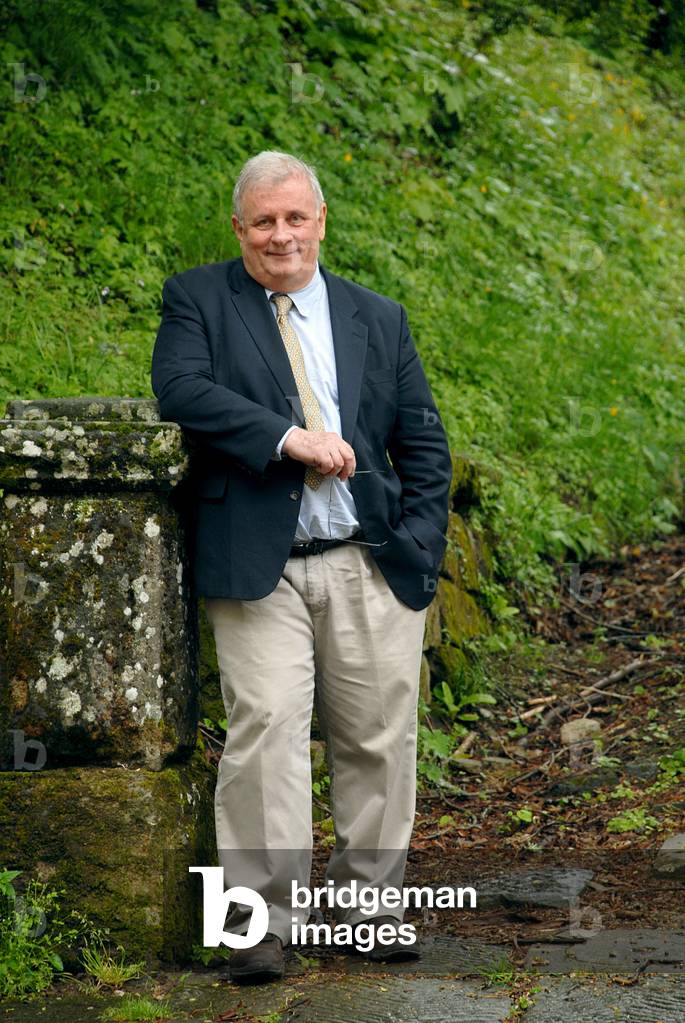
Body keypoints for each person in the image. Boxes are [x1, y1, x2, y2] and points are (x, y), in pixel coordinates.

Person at [151, 150, 452, 983]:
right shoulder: (199, 299)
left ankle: (365, 915)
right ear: (239, 229)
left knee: (377, 741)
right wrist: (289, 441)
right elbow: (178, 389)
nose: (279, 235)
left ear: (320, 221)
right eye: (263, 221)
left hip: (369, 560)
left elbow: (424, 443)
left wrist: (420, 545)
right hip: (260, 564)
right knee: (266, 732)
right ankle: (256, 925)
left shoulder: (376, 316)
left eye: (294, 218)